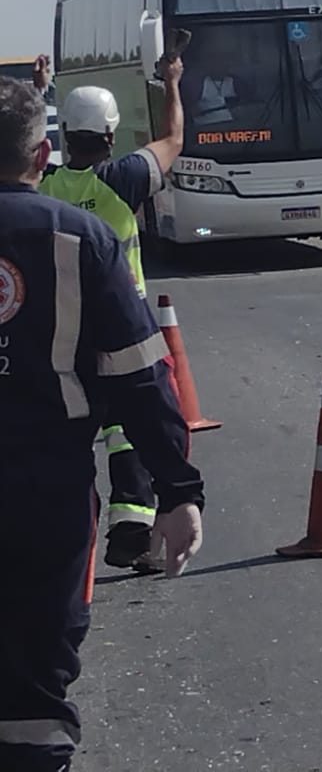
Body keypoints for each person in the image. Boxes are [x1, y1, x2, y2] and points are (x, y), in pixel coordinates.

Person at [0, 77, 204, 772]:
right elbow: (144, 379)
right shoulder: (84, 233)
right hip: (46, 495)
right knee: (35, 676)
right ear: (39, 154)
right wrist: (178, 490)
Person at [34, 54, 186, 573]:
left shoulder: (47, 187)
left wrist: (44, 93)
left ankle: (67, 545)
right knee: (130, 431)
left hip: (60, 334)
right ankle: (131, 533)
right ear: (111, 134)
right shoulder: (122, 178)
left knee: (69, 436)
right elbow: (173, 142)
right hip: (122, 329)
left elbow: (32, 153)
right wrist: (171, 84)